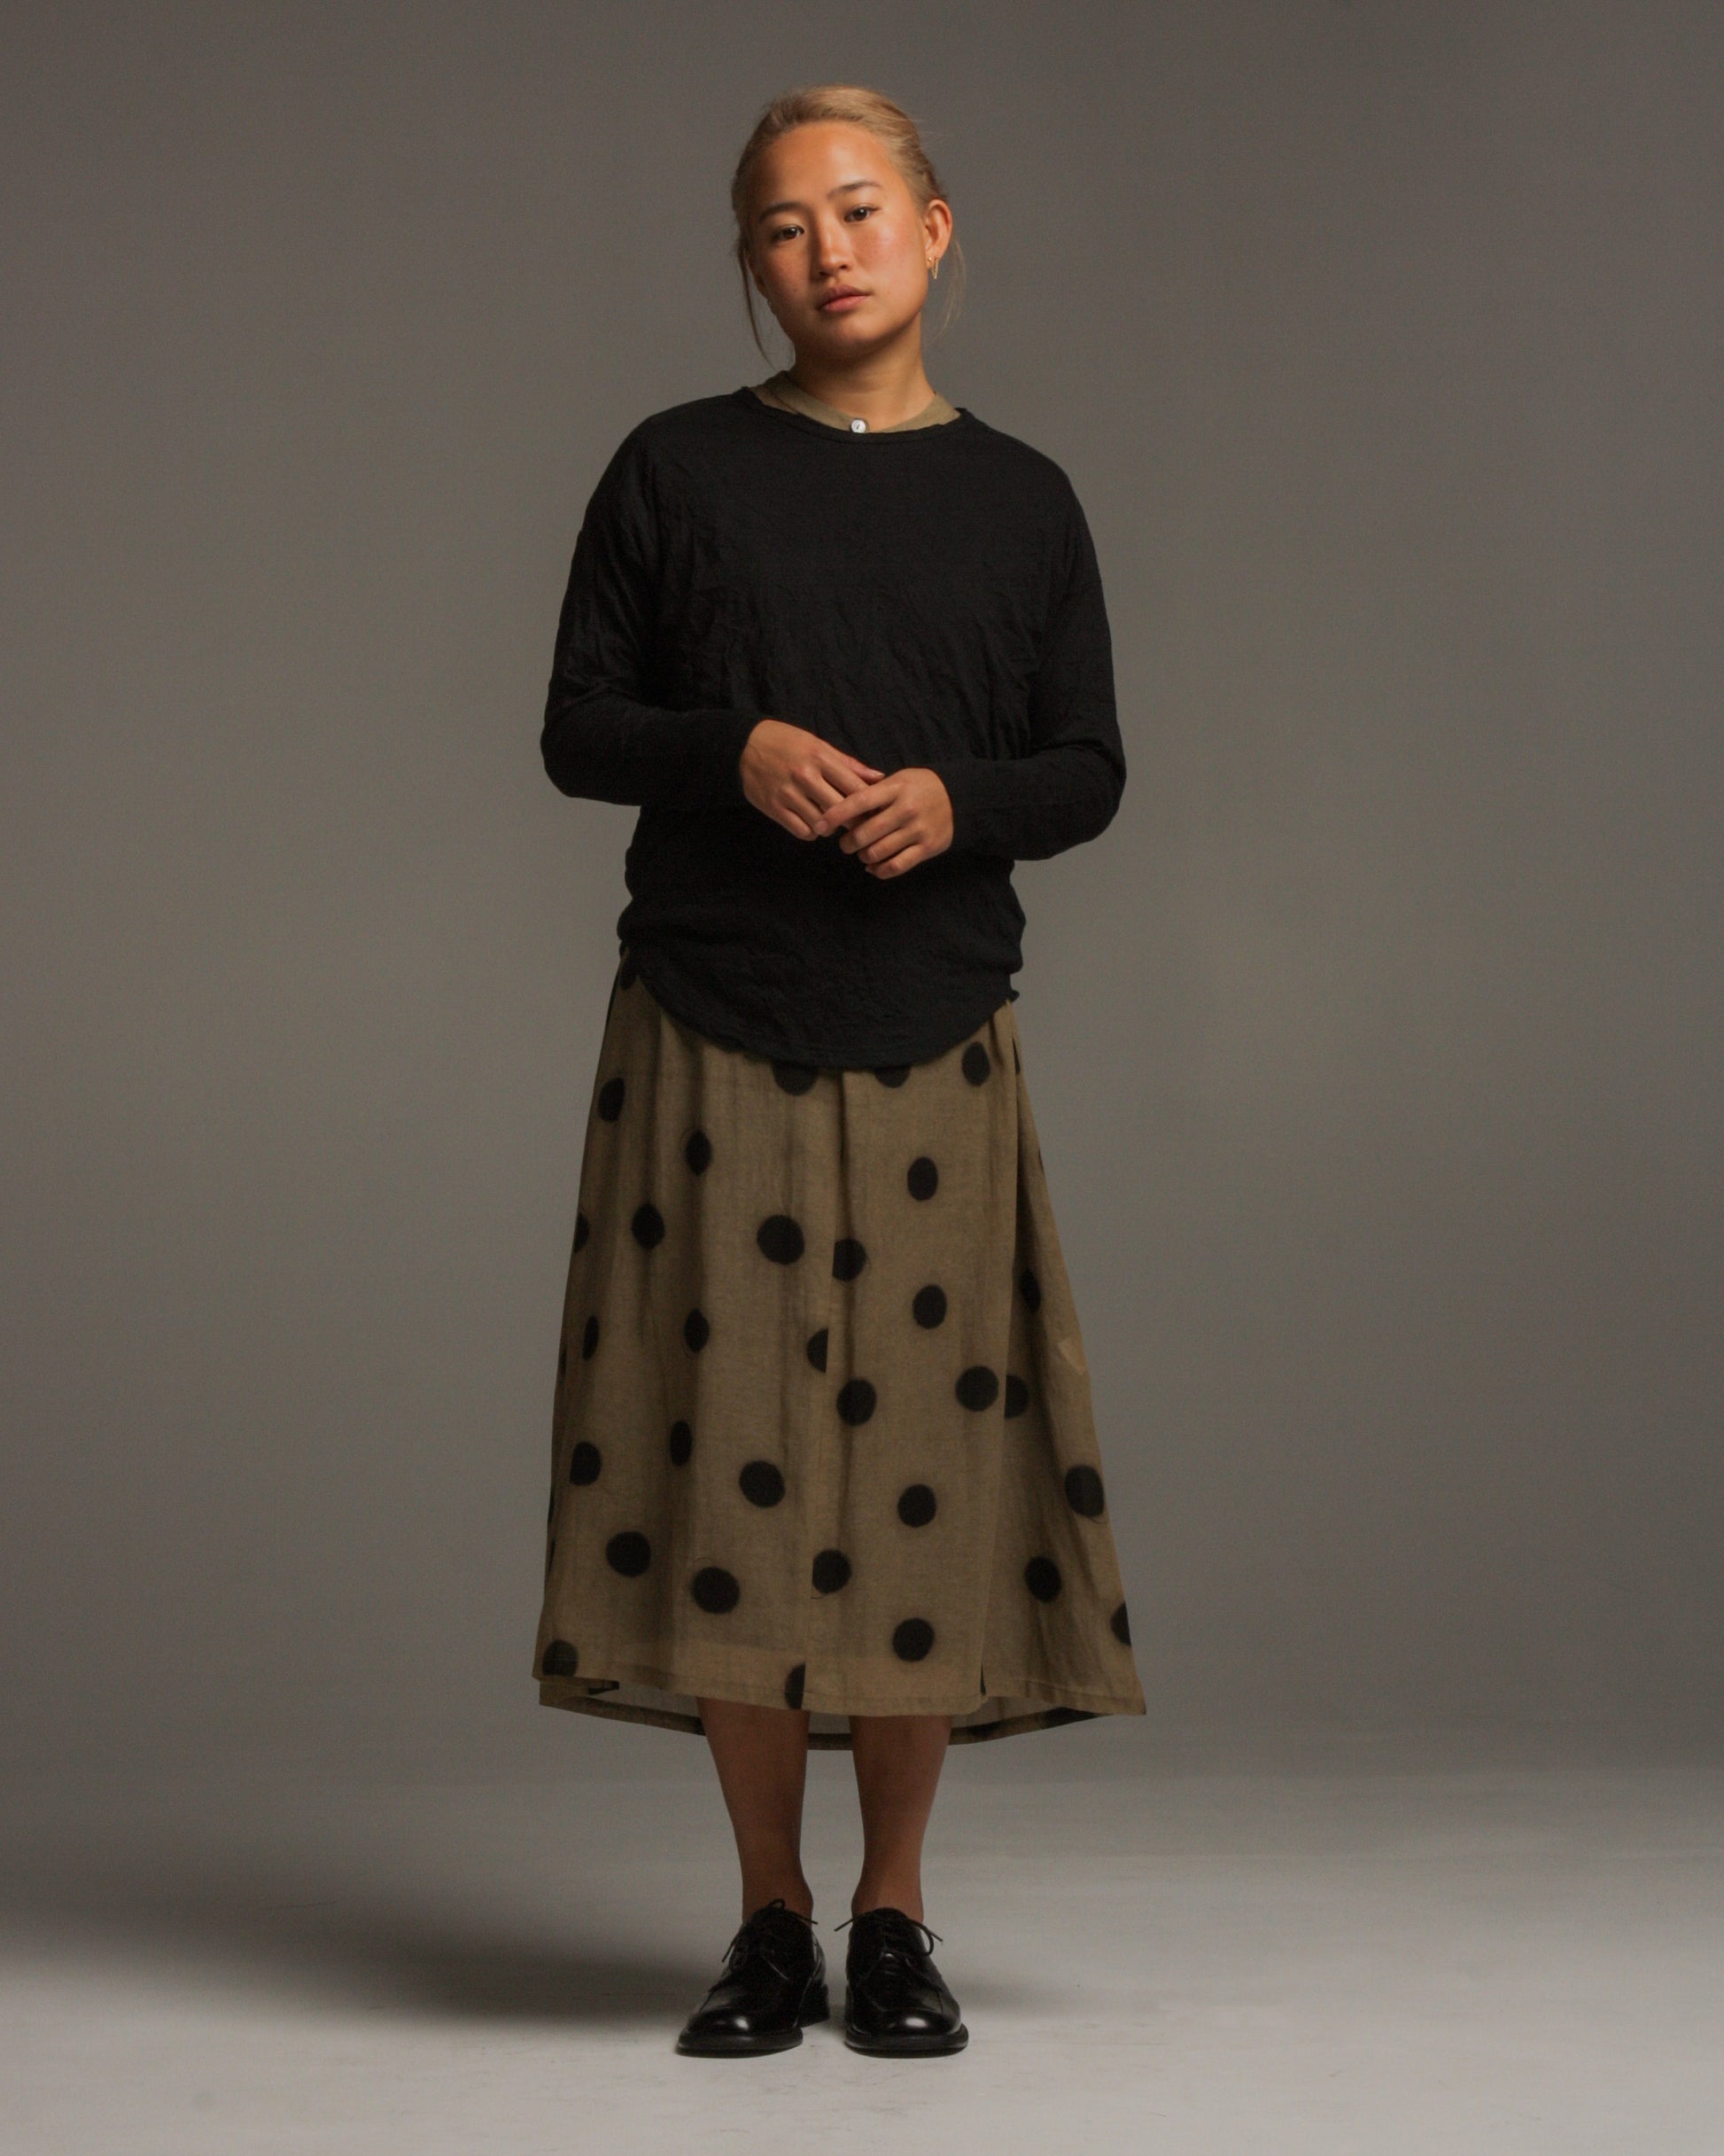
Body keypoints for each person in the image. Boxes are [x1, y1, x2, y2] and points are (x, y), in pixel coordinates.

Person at [531, 82, 1145, 2059]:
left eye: (861, 209)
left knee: (913, 1494)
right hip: (709, 1013)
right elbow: (576, 725)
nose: (828, 250)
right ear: (750, 261)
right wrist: (731, 750)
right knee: (724, 1466)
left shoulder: (1025, 498)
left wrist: (962, 801)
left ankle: (890, 1913)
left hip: (935, 1022)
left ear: (935, 229)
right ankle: (765, 1918)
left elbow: (1088, 766)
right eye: (784, 225)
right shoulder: (673, 468)